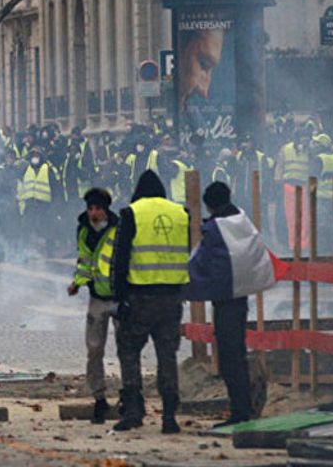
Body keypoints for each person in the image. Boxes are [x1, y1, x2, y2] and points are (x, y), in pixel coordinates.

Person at [183, 181, 276, 428]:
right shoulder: (242, 221)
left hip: (225, 299)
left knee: (229, 357)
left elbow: (201, 262)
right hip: (240, 296)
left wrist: (183, 286)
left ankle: (240, 410)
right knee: (237, 353)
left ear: (209, 205)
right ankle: (243, 407)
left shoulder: (215, 230)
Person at [108, 170, 189, 434]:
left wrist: (118, 297)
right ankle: (169, 417)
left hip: (139, 297)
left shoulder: (131, 213)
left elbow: (120, 259)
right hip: (172, 298)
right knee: (167, 355)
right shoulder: (181, 213)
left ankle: (133, 412)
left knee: (129, 352)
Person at [67, 187, 120, 425]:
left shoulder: (119, 228)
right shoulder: (84, 230)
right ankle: (99, 398)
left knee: (125, 349)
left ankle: (129, 396)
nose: (93, 213)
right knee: (94, 349)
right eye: (90, 209)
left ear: (105, 209)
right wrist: (77, 283)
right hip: (97, 296)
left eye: (97, 208)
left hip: (119, 297)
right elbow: (84, 260)